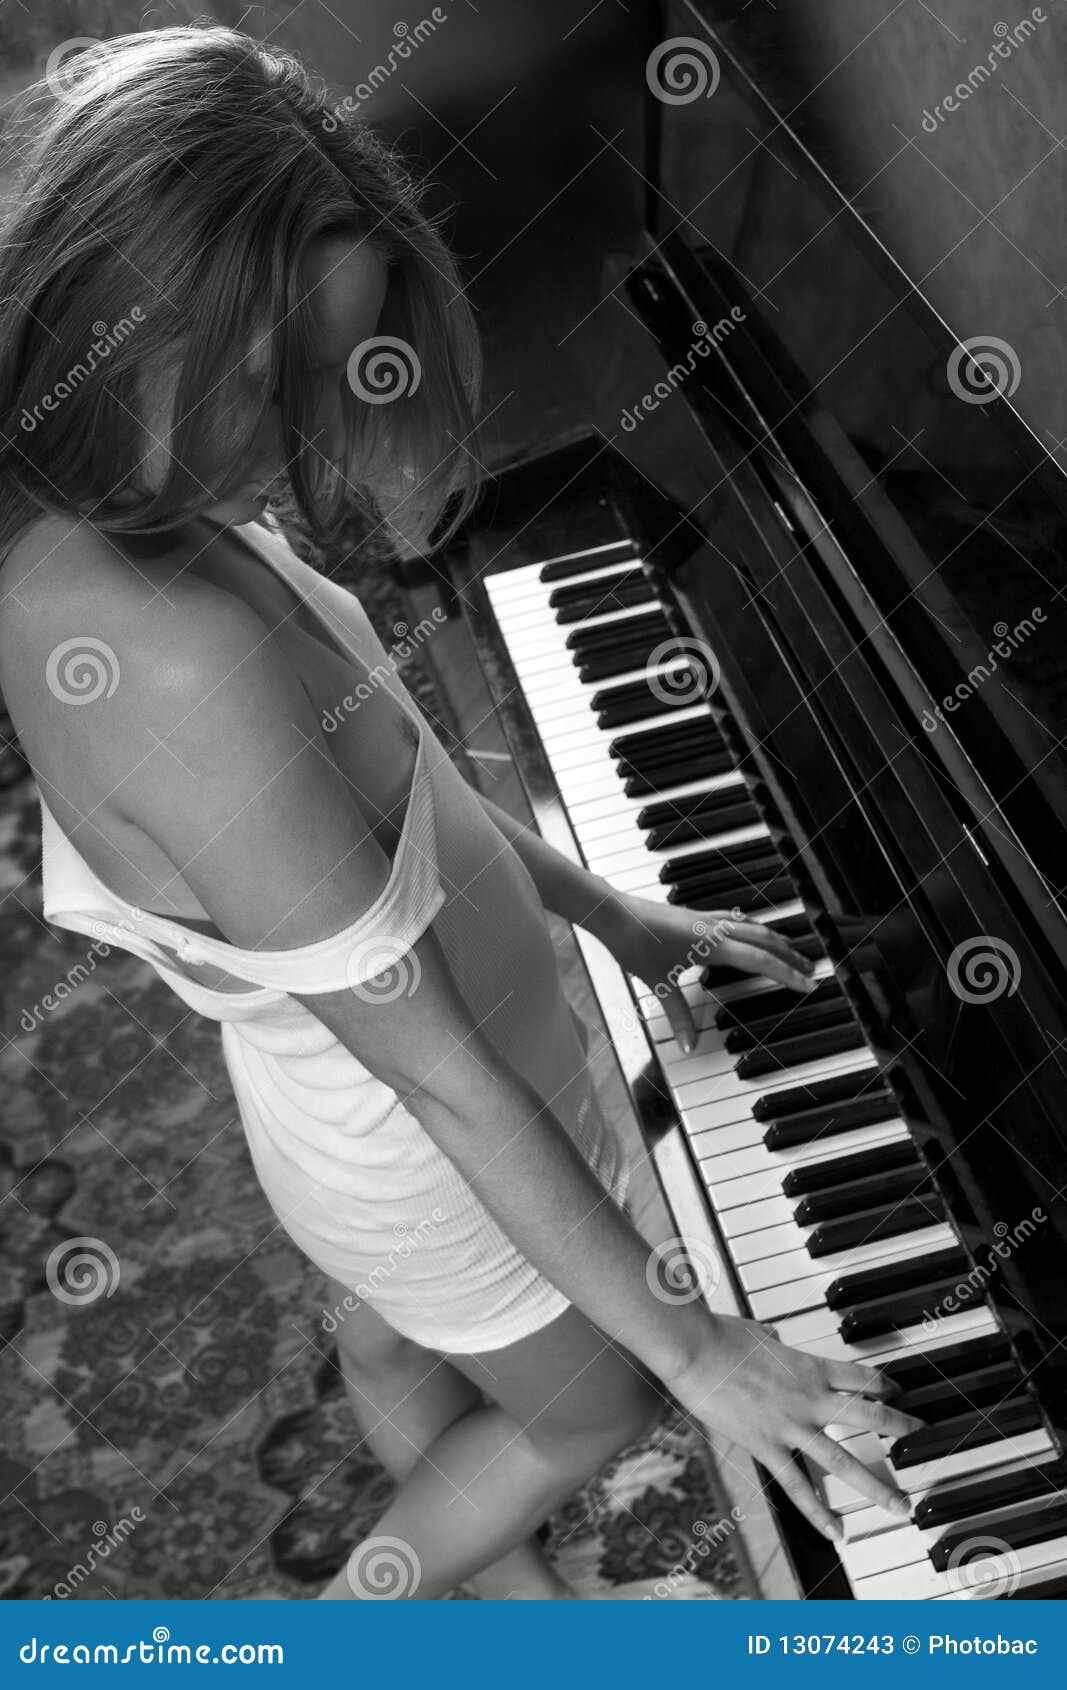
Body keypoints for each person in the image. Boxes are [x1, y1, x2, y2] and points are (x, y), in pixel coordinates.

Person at [0, 26, 920, 1601]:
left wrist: (609, 909)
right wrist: (695, 1352)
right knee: (593, 1403)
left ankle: (498, 1565)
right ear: (105, 312)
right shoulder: (170, 664)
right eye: (263, 381)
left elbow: (407, 787)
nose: (295, 433)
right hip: (421, 1143)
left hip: (346, 1131)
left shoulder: (115, 523)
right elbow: (440, 1081)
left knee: (391, 1334)